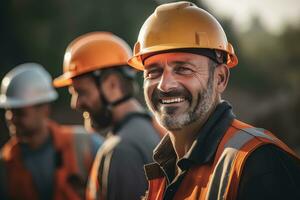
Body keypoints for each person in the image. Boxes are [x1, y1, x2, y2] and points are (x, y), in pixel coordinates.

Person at [127, 1, 300, 200]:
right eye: (153, 72)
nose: (164, 85)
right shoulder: (165, 168)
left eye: (183, 69)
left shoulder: (260, 164)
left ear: (220, 78)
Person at [53, 32, 163, 200]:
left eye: (81, 92)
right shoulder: (149, 127)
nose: (75, 104)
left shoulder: (122, 150)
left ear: (112, 85)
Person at [0, 63, 103, 200]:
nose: (12, 119)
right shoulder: (6, 163)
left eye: (20, 112)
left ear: (44, 108)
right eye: (9, 111)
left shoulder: (86, 144)